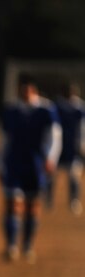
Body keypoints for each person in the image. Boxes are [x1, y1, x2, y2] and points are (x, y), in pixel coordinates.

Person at [0, 74, 61, 263]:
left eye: (28, 90)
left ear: (34, 90)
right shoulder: (11, 111)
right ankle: (11, 246)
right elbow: (3, 139)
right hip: (14, 163)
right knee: (12, 203)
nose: (24, 93)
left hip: (36, 164)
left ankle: (28, 245)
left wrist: (50, 159)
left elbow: (54, 137)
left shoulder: (46, 110)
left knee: (32, 205)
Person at [47, 82, 85, 216]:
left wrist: (82, 145)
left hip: (73, 149)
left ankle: (73, 201)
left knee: (74, 176)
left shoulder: (79, 108)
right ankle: (48, 199)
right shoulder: (56, 107)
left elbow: (83, 128)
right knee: (51, 176)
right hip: (58, 147)